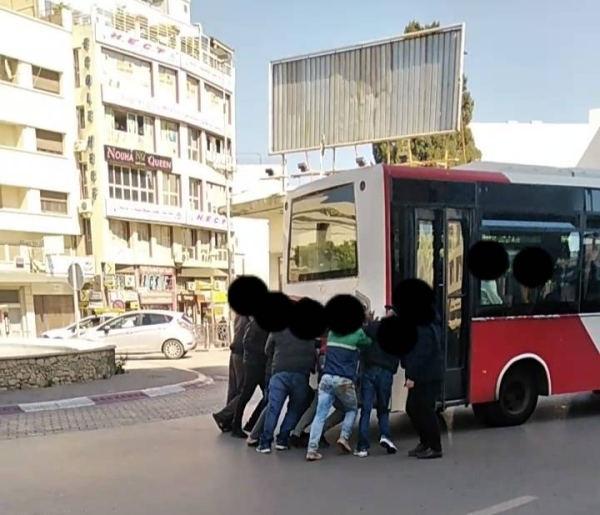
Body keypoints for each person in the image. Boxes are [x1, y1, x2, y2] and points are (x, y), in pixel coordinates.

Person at [306, 324, 372, 462]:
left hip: (326, 378)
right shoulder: (357, 332)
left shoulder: (332, 332)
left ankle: (312, 449)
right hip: (343, 380)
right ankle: (344, 437)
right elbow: (368, 343)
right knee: (351, 409)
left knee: (320, 414)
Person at [256, 328, 316, 453]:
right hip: (301, 373)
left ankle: (265, 443)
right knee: (295, 408)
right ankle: (282, 440)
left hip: (280, 371)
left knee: (274, 408)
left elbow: (267, 349)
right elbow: (313, 350)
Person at [355, 307, 401, 457]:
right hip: (386, 372)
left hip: (370, 369)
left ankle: (362, 447)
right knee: (383, 408)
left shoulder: (376, 326)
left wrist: (369, 320)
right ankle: (386, 436)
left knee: (366, 408)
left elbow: (362, 333)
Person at [212, 317, 269, 438]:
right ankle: (227, 418)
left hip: (238, 353)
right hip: (248, 358)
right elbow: (250, 341)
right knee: (246, 393)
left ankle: (230, 421)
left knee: (237, 391)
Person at [403, 308, 444, 460]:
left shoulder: (424, 328)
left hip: (427, 376)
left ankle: (435, 447)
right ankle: (425, 442)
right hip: (424, 375)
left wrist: (411, 376)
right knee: (413, 408)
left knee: (425, 410)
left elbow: (420, 354)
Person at [228, 313, 250, 404]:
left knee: (233, 389)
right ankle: (227, 412)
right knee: (242, 389)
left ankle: (229, 412)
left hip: (235, 350)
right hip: (242, 353)